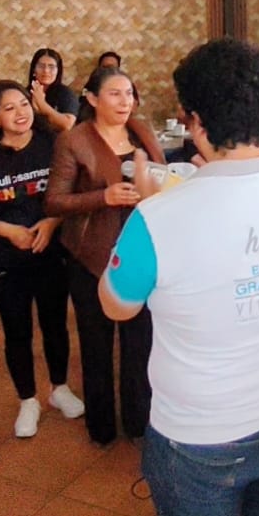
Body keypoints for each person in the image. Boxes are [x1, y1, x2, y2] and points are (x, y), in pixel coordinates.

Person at [101, 37, 259, 516]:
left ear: (196, 122)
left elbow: (116, 304)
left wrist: (149, 208)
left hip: (201, 434)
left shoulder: (157, 217)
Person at [45, 66, 164, 446]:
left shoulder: (141, 132)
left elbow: (162, 177)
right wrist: (104, 197)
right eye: (115, 93)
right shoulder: (74, 140)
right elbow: (54, 201)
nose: (125, 101)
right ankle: (101, 427)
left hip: (140, 251)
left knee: (140, 341)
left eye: (129, 93)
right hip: (92, 256)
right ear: (93, 98)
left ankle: (138, 420)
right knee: (96, 343)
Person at [0, 81, 85, 439]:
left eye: (24, 104)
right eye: (9, 108)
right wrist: (8, 232)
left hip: (50, 251)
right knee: (17, 330)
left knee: (55, 324)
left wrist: (51, 223)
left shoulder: (52, 144)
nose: (21, 113)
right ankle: (28, 400)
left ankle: (59, 388)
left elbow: (70, 193)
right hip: (7, 257)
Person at [28, 48, 80, 135]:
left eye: (51, 67)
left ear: (58, 71)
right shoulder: (23, 93)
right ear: (34, 69)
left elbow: (67, 125)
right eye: (41, 66)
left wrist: (42, 104)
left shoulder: (66, 94)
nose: (46, 71)